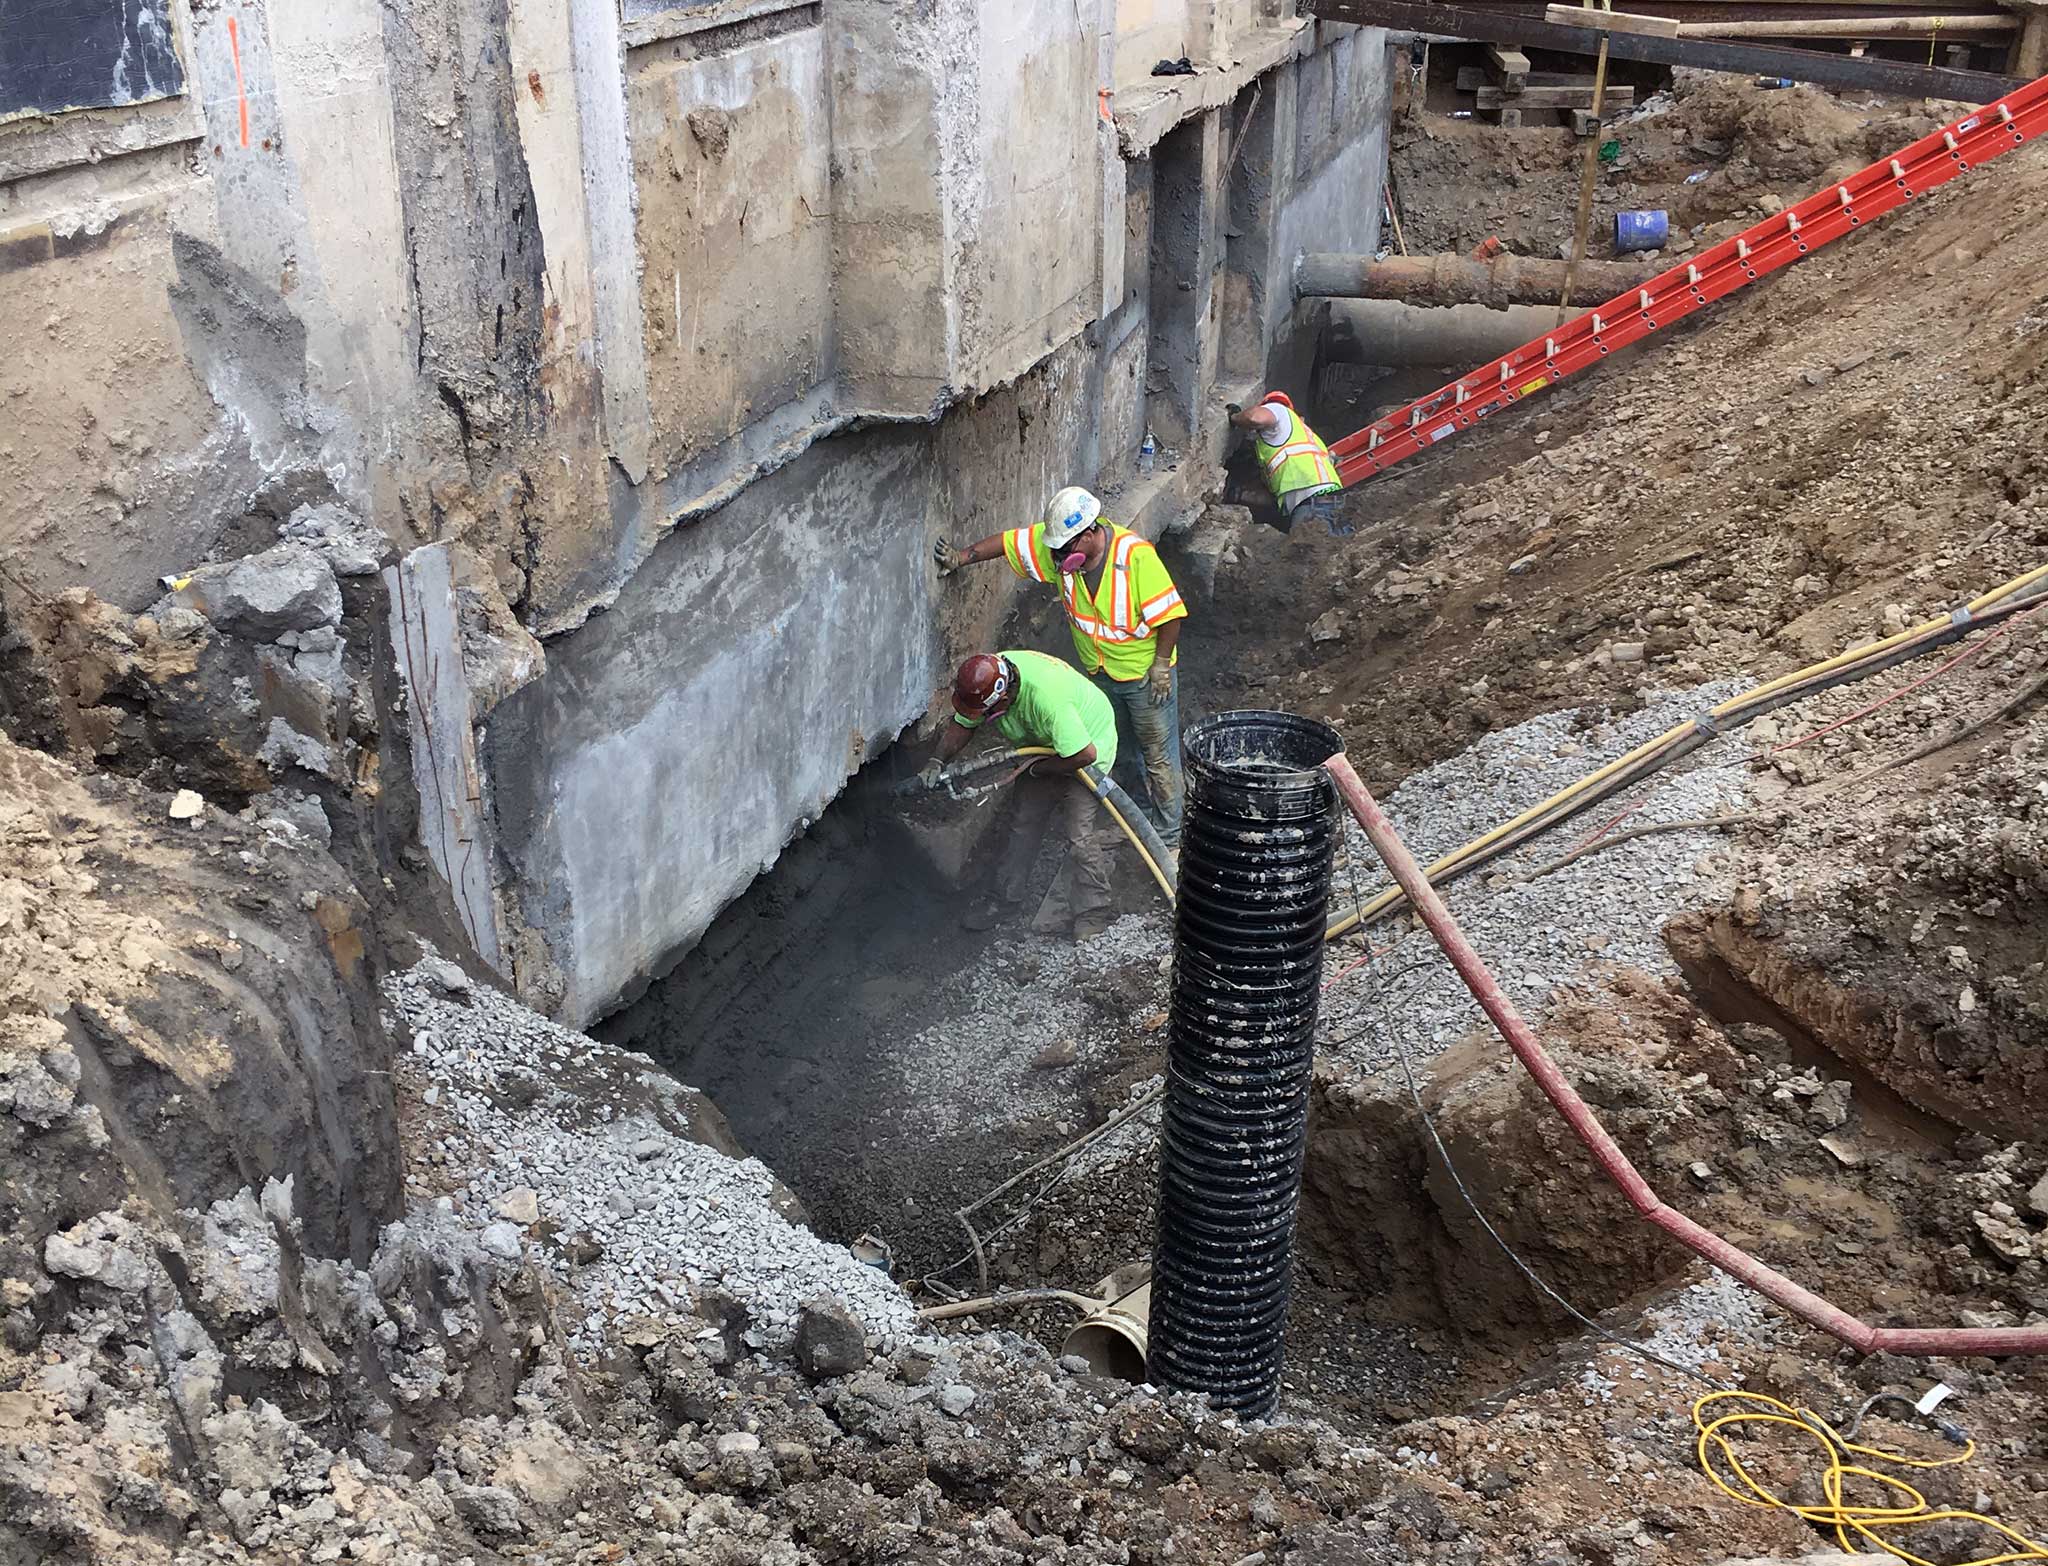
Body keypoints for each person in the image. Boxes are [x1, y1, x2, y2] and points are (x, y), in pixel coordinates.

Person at [932, 486, 1186, 848]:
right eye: (1055, 550)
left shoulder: (1134, 558)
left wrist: (1161, 664)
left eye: (1065, 551)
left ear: (1089, 533)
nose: (1057, 558)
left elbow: (1171, 615)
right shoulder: (1060, 547)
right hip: (1101, 674)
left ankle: (1168, 837)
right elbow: (1009, 543)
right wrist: (962, 556)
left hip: (1145, 676)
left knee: (1158, 754)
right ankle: (1137, 815)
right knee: (1122, 749)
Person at [925, 650, 1121, 939]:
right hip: (1044, 746)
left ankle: (1094, 912)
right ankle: (1006, 899)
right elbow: (963, 723)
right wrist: (937, 760)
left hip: (1087, 750)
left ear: (1002, 701)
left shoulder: (1048, 700)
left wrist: (1041, 770)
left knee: (1079, 837)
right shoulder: (988, 678)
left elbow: (1084, 754)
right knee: (1022, 823)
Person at [1223, 391, 1353, 537]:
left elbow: (1254, 417)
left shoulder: (1280, 410)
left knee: (1304, 556)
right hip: (1335, 504)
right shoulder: (1306, 440)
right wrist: (1239, 495)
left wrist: (1235, 417)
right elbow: (1275, 500)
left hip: (1313, 507)